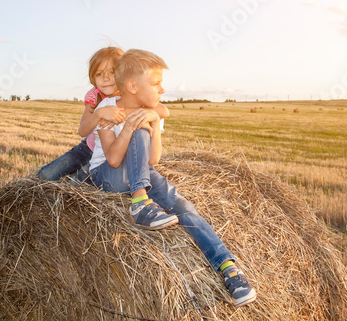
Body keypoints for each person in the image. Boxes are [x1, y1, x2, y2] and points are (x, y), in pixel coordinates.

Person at [88, 48, 257, 307]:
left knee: (184, 208)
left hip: (143, 172)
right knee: (137, 131)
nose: (162, 90)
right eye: (156, 83)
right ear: (132, 86)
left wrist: (153, 123)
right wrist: (131, 127)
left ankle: (228, 268)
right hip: (108, 175)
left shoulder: (150, 111)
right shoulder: (108, 108)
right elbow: (112, 159)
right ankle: (140, 204)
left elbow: (153, 159)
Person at [38, 47, 169, 182]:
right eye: (99, 74)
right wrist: (99, 113)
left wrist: (127, 112)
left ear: (123, 74)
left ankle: (80, 175)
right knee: (46, 176)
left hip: (110, 156)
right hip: (87, 149)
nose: (106, 79)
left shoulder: (131, 95)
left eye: (112, 72)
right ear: (92, 78)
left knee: (76, 184)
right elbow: (83, 130)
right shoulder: (94, 97)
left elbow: (164, 111)